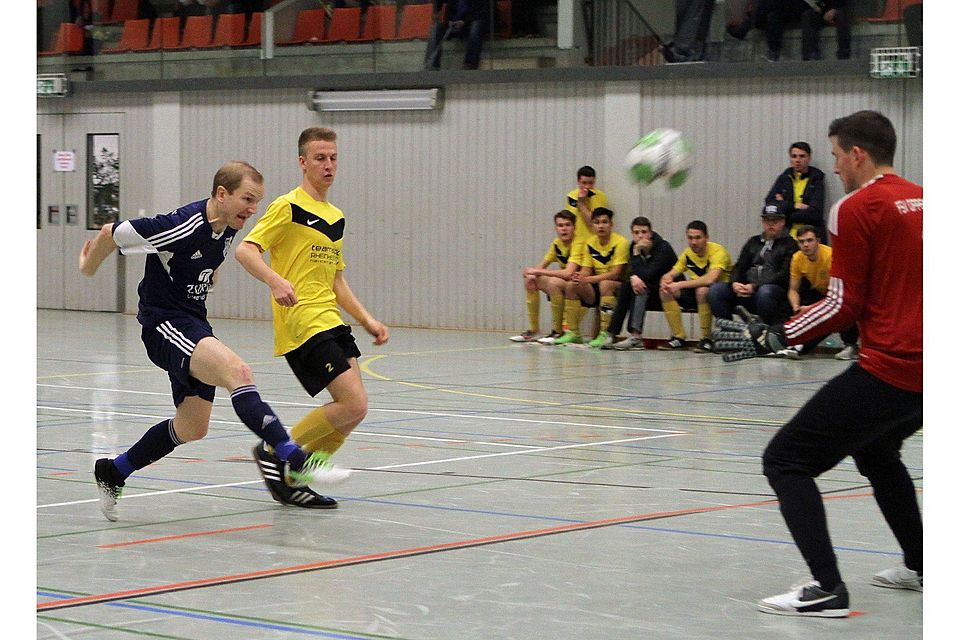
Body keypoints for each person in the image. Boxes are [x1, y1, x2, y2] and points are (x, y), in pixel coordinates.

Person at [715, 110, 923, 617]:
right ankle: (924, 563)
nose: (834, 168)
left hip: (893, 368)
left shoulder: (856, 208)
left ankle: (826, 587)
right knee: (876, 452)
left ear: (857, 155)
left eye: (834, 157)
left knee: (785, 460)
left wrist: (776, 335)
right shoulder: (926, 200)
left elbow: (842, 304)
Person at [79, 161, 335, 521]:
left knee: (192, 427)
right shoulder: (180, 225)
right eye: (247, 199)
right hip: (163, 324)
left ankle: (114, 471)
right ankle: (294, 457)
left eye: (257, 202)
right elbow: (110, 232)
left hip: (193, 322)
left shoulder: (227, 226)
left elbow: (203, 259)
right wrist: (87, 268)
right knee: (238, 372)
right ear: (221, 194)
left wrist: (205, 275)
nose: (252, 209)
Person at [235, 127, 390, 510]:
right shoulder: (288, 206)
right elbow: (246, 250)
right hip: (302, 320)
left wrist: (367, 320)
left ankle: (294, 478)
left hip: (332, 319)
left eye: (333, 158)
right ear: (303, 162)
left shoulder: (335, 216)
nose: (329, 165)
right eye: (320, 158)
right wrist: (274, 281)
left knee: (356, 411)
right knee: (351, 403)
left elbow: (337, 279)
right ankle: (277, 452)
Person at [777, 224, 859, 360]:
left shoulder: (830, 257)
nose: (806, 245)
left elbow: (837, 295)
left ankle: (850, 345)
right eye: (801, 242)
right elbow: (793, 289)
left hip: (841, 294)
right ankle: (797, 344)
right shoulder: (797, 258)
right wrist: (796, 308)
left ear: (818, 241)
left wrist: (809, 310)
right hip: (821, 293)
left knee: (842, 311)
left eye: (809, 240)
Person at [708, 205, 798, 326]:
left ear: (783, 222)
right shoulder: (753, 242)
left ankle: (765, 334)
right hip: (747, 289)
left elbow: (784, 274)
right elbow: (740, 266)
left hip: (772, 292)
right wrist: (735, 283)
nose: (770, 224)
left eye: (775, 221)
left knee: (766, 292)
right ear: (762, 222)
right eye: (767, 221)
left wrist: (755, 286)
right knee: (716, 290)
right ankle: (728, 331)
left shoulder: (790, 244)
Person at [553, 207, 630, 347]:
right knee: (572, 284)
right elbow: (586, 270)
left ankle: (605, 333)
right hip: (597, 284)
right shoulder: (590, 243)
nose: (601, 226)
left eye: (604, 222)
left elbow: (616, 273)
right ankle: (573, 333)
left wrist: (588, 279)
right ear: (592, 225)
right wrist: (579, 276)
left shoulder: (621, 242)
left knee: (606, 284)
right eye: (597, 222)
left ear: (611, 225)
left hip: (621, 286)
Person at [602, 216, 678, 351]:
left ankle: (636, 336)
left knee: (640, 288)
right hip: (649, 289)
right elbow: (632, 272)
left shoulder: (663, 248)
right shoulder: (633, 246)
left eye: (644, 232)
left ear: (651, 233)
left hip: (668, 291)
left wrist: (636, 255)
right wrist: (633, 276)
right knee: (627, 287)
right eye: (636, 233)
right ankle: (612, 333)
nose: (640, 236)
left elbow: (649, 274)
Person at [657, 220, 732, 352]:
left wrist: (680, 284)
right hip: (695, 294)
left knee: (702, 290)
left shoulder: (718, 252)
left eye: (698, 238)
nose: (694, 242)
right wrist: (666, 280)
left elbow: (711, 279)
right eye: (690, 238)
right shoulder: (687, 254)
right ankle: (678, 338)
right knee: (665, 291)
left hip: (719, 295)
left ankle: (706, 339)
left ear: (706, 238)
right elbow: (672, 273)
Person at [509, 210, 580, 344]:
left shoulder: (579, 243)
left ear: (574, 227)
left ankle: (558, 331)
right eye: (560, 225)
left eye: (567, 225)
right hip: (565, 284)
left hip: (580, 287)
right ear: (556, 228)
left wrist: (536, 270)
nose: (564, 229)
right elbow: (541, 266)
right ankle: (534, 330)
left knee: (552, 282)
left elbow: (568, 273)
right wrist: (531, 273)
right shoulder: (556, 244)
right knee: (531, 279)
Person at [765, 141, 827, 238]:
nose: (797, 160)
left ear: (809, 158)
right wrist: (795, 205)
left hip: (811, 236)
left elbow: (815, 213)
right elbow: (769, 204)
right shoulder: (784, 178)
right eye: (794, 156)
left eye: (802, 156)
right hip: (786, 235)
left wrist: (784, 212)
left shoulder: (816, 179)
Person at [761, 0, 852, 61]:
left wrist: (834, 9)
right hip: (818, 9)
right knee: (807, 16)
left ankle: (844, 54)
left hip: (836, 7)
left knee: (842, 14)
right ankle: (810, 55)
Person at [425, 0, 489, 70]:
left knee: (476, 26)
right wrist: (438, 11)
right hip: (453, 23)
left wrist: (464, 22)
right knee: (436, 28)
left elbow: (481, 13)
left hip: (471, 22)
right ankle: (433, 64)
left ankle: (470, 64)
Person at [564, 164, 609, 249]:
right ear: (578, 181)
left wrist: (581, 203)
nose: (587, 187)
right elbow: (568, 221)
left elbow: (593, 223)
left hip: (593, 242)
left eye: (590, 183)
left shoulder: (600, 196)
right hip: (575, 242)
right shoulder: (571, 196)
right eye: (584, 183)